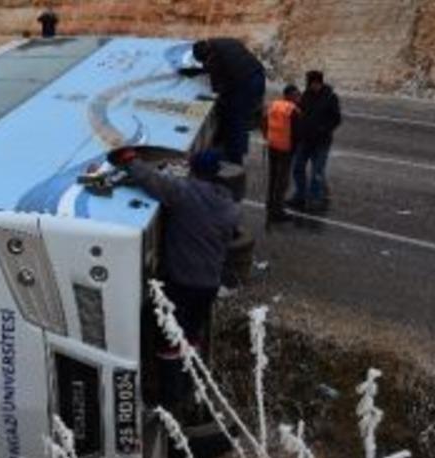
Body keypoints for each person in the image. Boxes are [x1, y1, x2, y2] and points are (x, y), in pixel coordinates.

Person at [117, 148, 239, 418]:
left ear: (192, 169)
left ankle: (170, 402)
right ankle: (189, 389)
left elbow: (150, 180)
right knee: (191, 336)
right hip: (208, 285)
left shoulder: (184, 193)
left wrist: (129, 160)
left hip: (182, 283)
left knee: (169, 341)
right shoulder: (228, 205)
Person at [189, 38, 266, 165]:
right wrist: (204, 70)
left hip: (247, 83)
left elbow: (217, 87)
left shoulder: (215, 58)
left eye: (204, 61)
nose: (204, 63)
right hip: (258, 75)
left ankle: (234, 160)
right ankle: (235, 151)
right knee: (239, 118)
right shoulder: (222, 42)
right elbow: (230, 62)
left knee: (235, 118)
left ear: (207, 55)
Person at [288, 70, 341, 212]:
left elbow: (336, 119)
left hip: (321, 141)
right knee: (298, 168)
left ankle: (314, 199)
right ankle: (300, 195)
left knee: (317, 171)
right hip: (305, 140)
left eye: (313, 83)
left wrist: (323, 129)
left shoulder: (330, 97)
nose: (311, 86)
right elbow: (300, 113)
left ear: (319, 82)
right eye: (309, 83)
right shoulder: (306, 95)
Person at [261, 84, 300, 224]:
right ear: (289, 96)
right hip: (285, 148)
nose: (298, 98)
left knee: (273, 177)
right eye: (296, 95)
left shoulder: (274, 105)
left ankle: (270, 203)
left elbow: (263, 120)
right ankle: (277, 211)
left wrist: (267, 136)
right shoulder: (293, 110)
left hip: (272, 145)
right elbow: (298, 131)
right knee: (282, 181)